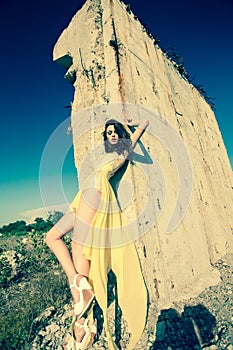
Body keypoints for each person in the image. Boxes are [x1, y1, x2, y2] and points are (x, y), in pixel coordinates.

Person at [45, 117, 149, 350]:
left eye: (115, 132)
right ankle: (79, 285)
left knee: (79, 249)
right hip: (83, 195)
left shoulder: (124, 149)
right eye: (108, 132)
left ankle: (83, 322)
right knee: (51, 237)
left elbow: (142, 128)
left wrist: (133, 126)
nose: (112, 134)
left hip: (96, 194)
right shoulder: (103, 152)